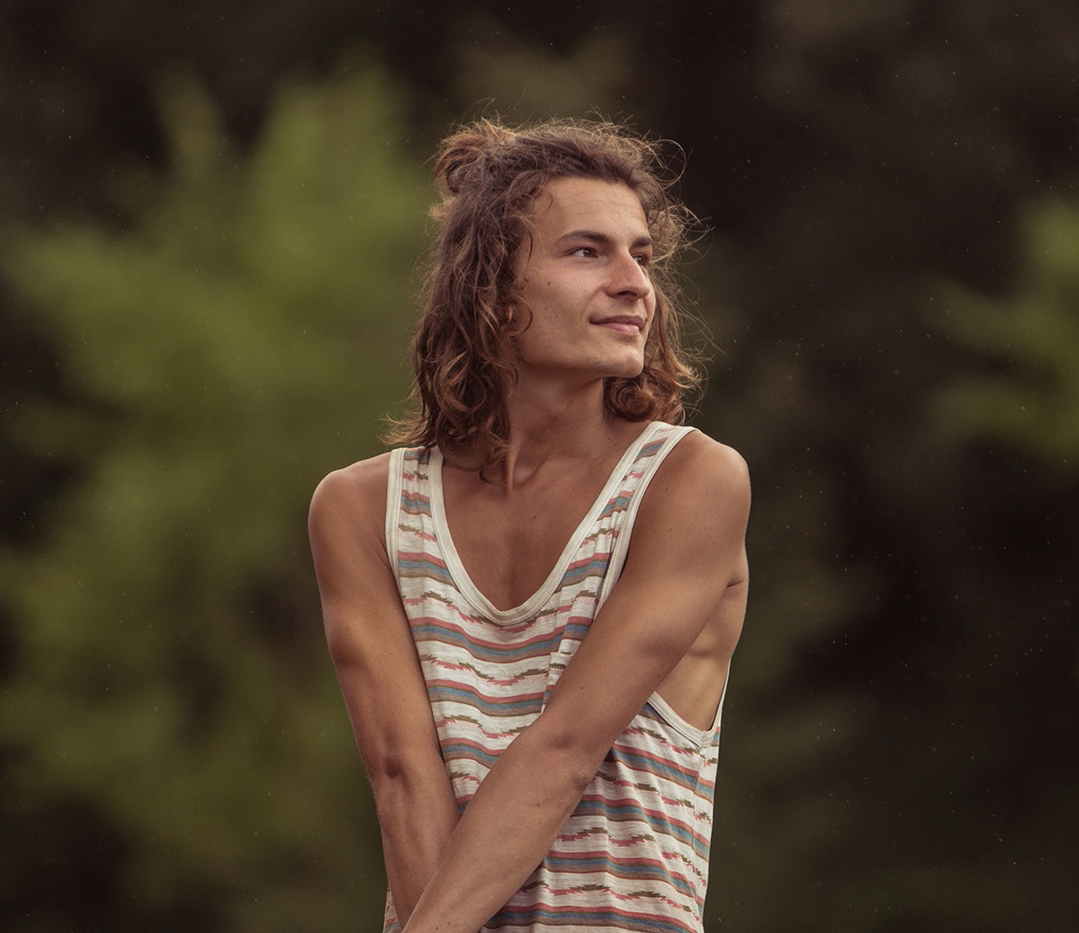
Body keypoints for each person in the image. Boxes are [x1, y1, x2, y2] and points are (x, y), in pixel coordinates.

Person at [308, 117, 749, 933]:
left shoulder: (688, 481)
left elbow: (565, 751)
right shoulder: (362, 509)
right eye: (587, 252)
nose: (634, 283)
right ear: (492, 289)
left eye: (641, 256)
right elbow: (401, 773)